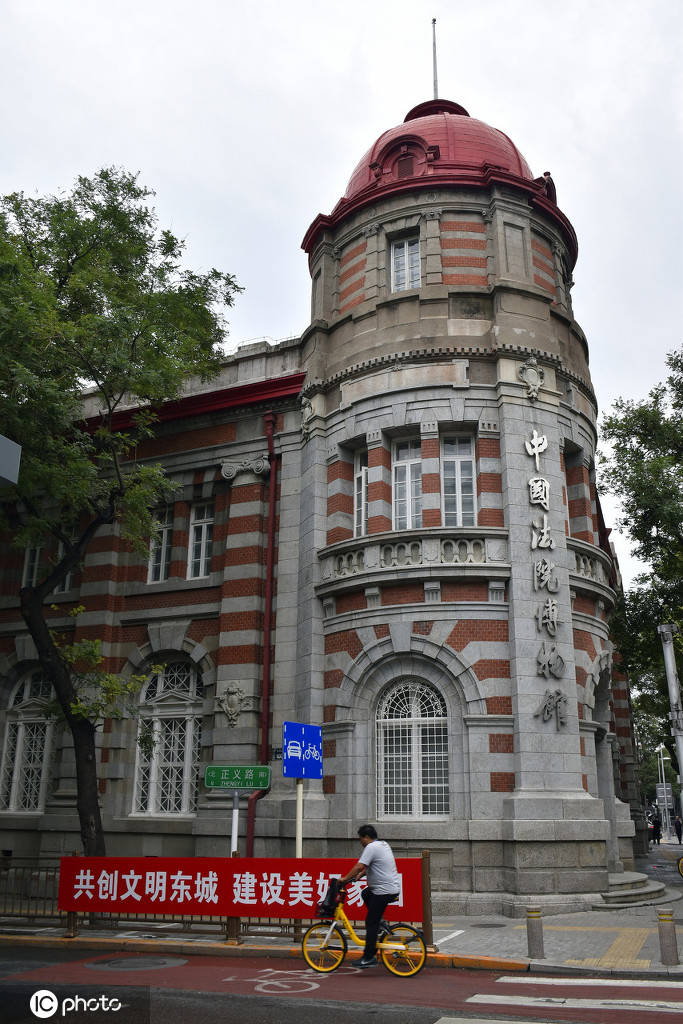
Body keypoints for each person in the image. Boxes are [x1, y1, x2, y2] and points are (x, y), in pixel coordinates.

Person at [338, 824, 400, 968]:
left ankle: (368, 957)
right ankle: (381, 922)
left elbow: (359, 865)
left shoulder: (371, 847)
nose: (360, 842)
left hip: (383, 891)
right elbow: (376, 865)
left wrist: (344, 878)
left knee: (370, 922)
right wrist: (361, 875)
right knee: (365, 893)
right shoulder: (383, 845)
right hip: (388, 889)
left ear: (366, 837)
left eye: (361, 839)